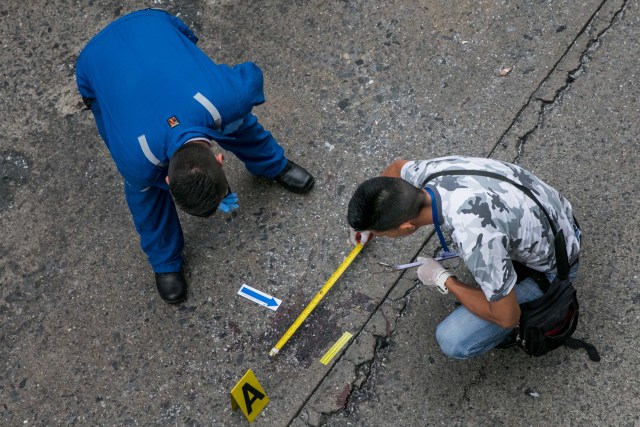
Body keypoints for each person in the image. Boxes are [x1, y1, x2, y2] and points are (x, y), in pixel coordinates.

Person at [76, 9, 314, 304]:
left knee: (235, 120)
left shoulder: (227, 99)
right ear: (219, 160)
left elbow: (250, 77)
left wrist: (227, 95)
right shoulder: (136, 163)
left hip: (155, 23)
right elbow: (116, 136)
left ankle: (273, 165)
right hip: (92, 64)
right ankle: (165, 262)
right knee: (145, 194)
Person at [347, 156, 581, 359]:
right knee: (492, 263)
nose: (382, 237)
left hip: (556, 265)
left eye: (383, 234)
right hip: (555, 216)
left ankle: (530, 317)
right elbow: (396, 169)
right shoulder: (432, 172)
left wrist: (443, 278)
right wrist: (368, 225)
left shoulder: (474, 236)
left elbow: (507, 317)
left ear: (407, 227)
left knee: (452, 339)